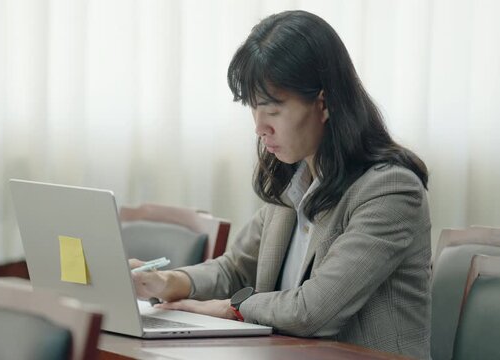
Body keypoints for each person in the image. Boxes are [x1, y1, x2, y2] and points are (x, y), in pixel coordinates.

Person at [130, 10, 431, 359]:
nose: (260, 127)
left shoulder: (390, 191)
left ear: (324, 103)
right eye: (253, 109)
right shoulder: (295, 180)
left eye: (272, 110)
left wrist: (233, 309)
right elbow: (236, 267)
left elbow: (313, 311)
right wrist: (169, 282)